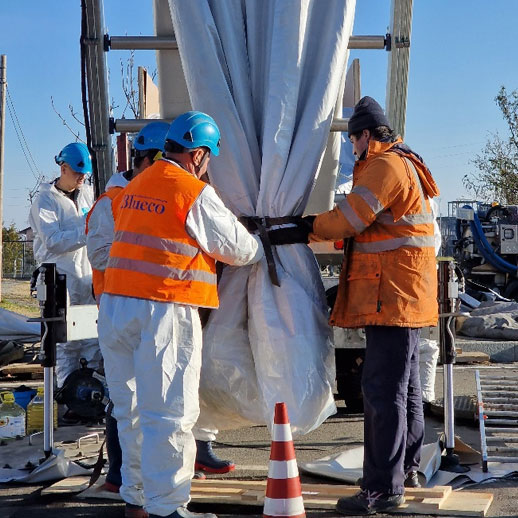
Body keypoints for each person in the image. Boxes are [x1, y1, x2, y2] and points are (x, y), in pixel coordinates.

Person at [97, 111, 264, 518]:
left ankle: (136, 498)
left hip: (117, 308)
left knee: (131, 411)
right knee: (170, 412)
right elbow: (239, 249)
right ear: (200, 155)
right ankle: (168, 507)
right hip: (164, 309)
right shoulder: (191, 191)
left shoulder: (136, 185)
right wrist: (261, 242)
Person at [309, 96, 439, 515]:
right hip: (405, 295)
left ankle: (382, 488)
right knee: (407, 390)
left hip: (392, 296)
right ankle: (407, 469)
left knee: (382, 392)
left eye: (352, 140)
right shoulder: (406, 163)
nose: (351, 148)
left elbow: (351, 217)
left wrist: (307, 227)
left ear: (367, 135)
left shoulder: (384, 166)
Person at [85, 121, 170, 501]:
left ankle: (146, 477)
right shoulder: (113, 202)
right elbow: (100, 255)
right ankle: (120, 475)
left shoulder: (152, 195)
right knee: (124, 400)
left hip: (150, 308)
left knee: (155, 397)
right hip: (118, 311)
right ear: (147, 160)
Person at [28, 142, 102, 390]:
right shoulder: (45, 201)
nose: (82, 178)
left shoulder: (88, 194)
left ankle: (90, 394)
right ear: (63, 168)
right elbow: (53, 241)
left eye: (85, 173)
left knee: (91, 337)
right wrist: (87, 232)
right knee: (65, 341)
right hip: (60, 278)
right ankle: (68, 394)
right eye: (78, 172)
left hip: (86, 276)